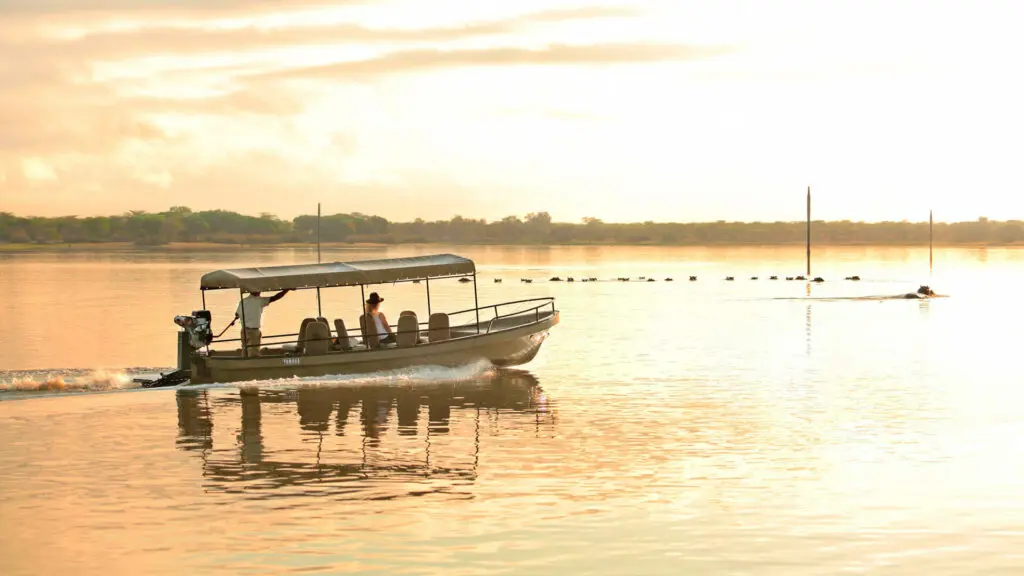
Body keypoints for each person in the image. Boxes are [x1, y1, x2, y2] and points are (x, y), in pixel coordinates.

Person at [235, 289, 290, 356]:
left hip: (243, 331)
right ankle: (253, 365)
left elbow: (236, 314)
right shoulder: (259, 300)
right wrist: (286, 290)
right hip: (253, 331)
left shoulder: (243, 301)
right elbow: (274, 298)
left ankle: (243, 364)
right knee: (253, 353)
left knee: (245, 350)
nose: (260, 291)